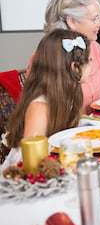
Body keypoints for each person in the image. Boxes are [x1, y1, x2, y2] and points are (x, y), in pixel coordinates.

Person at [2, 29, 91, 168]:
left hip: (54, 164)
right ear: (74, 67)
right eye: (89, 60)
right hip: (28, 176)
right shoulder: (40, 107)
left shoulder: (69, 92)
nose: (91, 64)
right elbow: (31, 162)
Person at [27, 0, 100, 113]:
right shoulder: (47, 55)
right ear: (72, 21)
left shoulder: (95, 48)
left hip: (96, 129)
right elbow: (42, 111)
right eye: (95, 19)